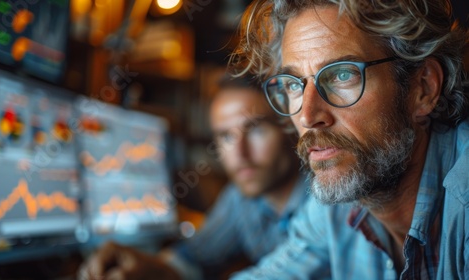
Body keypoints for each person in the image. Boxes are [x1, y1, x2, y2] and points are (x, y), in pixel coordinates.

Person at [228, 0, 469, 279]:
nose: (308, 116)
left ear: (423, 88)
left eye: (342, 75)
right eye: (294, 84)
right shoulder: (337, 202)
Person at [78, 75, 309, 280]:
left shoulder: (327, 198)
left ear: (289, 128)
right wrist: (148, 267)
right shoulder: (241, 198)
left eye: (256, 129)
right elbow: (197, 257)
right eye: (226, 136)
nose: (240, 154)